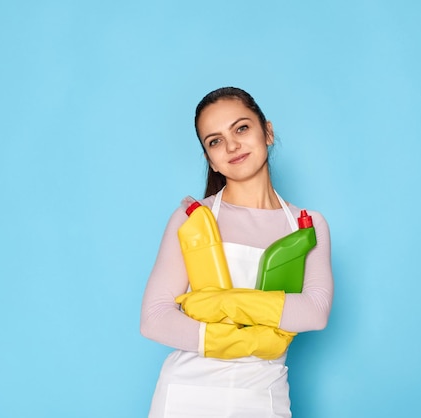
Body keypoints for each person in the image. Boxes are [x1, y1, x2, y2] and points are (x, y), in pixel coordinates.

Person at [140, 87, 334, 417]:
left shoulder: (307, 225)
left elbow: (315, 312)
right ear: (210, 160)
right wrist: (245, 342)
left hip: (263, 396)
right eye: (214, 140)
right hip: (186, 396)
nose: (231, 146)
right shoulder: (192, 219)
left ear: (267, 131)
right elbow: (154, 320)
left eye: (241, 128)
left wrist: (218, 302)